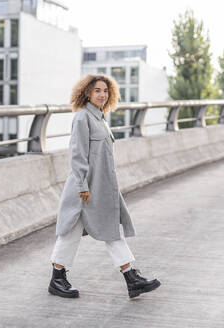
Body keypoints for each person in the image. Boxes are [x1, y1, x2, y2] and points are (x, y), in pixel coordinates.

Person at [48, 74, 161, 299]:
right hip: (86, 189)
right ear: (87, 93)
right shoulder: (82, 118)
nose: (102, 94)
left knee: (110, 229)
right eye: (97, 90)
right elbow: (78, 155)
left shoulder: (100, 119)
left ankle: (131, 278)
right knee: (71, 231)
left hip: (103, 187)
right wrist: (82, 186)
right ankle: (57, 278)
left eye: (105, 91)